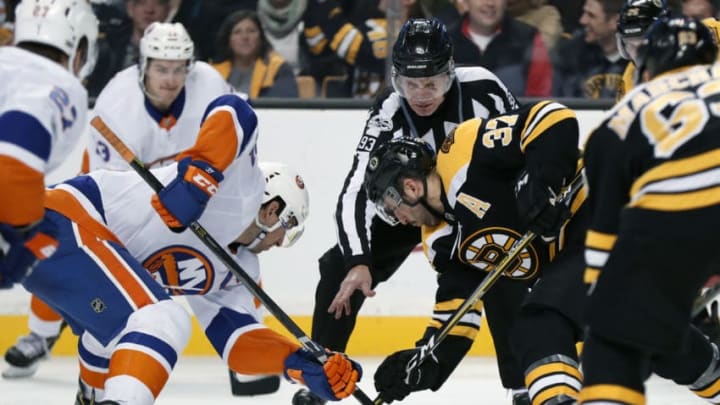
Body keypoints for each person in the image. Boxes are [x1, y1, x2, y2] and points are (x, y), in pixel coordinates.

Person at [294, 17, 523, 405]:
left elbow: (520, 154)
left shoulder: (484, 89)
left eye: (431, 82)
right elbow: (357, 187)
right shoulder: (388, 108)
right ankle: (321, 377)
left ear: (450, 72)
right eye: (410, 83)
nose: (420, 93)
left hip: (477, 206)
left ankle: (522, 385)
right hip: (411, 206)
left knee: (502, 271)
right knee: (339, 270)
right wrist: (358, 260)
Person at [2, 20, 232, 380]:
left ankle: (245, 343)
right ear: (143, 66)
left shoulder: (211, 85)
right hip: (108, 194)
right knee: (60, 251)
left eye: (177, 70)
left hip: (185, 191)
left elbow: (226, 148)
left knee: (232, 252)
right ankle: (41, 334)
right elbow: (113, 194)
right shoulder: (116, 102)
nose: (170, 80)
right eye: (160, 69)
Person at [363, 99, 587, 404]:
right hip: (571, 273)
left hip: (600, 214)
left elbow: (552, 117)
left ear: (410, 187)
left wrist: (544, 184)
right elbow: (458, 312)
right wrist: (423, 364)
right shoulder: (438, 242)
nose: (399, 220)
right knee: (537, 325)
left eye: (393, 209)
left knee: (539, 323)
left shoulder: (464, 150)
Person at [579, 15, 720, 404]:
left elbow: (604, 235)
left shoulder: (619, 119)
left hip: (671, 224)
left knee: (612, 346)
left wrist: (602, 308)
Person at [450, 0, 554, 97]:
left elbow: (540, 100)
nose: (490, 3)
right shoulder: (445, 41)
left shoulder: (529, 38)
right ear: (464, 2)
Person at [86, 0, 172, 98]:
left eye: (158, 3)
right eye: (142, 3)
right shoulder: (106, 47)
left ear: (168, 10)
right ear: (130, 8)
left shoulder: (176, 55)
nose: (149, 10)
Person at [210, 10, 299, 98]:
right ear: (228, 40)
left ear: (260, 38)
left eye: (251, 31)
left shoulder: (277, 67)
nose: (245, 37)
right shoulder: (213, 71)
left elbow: (283, 105)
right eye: (237, 32)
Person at [553, 0, 628, 98]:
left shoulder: (638, 57)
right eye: (584, 13)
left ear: (615, 22)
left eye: (591, 15)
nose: (582, 20)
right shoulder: (570, 53)